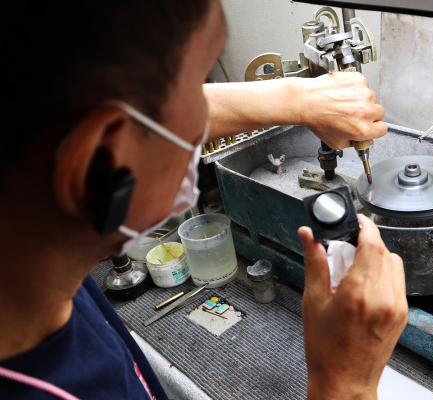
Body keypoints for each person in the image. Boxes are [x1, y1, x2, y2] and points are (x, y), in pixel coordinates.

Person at [0, 1, 408, 399]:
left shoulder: (31, 275)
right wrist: (345, 385)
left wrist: (299, 99)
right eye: (197, 85)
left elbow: (136, 115)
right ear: (100, 160)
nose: (207, 108)